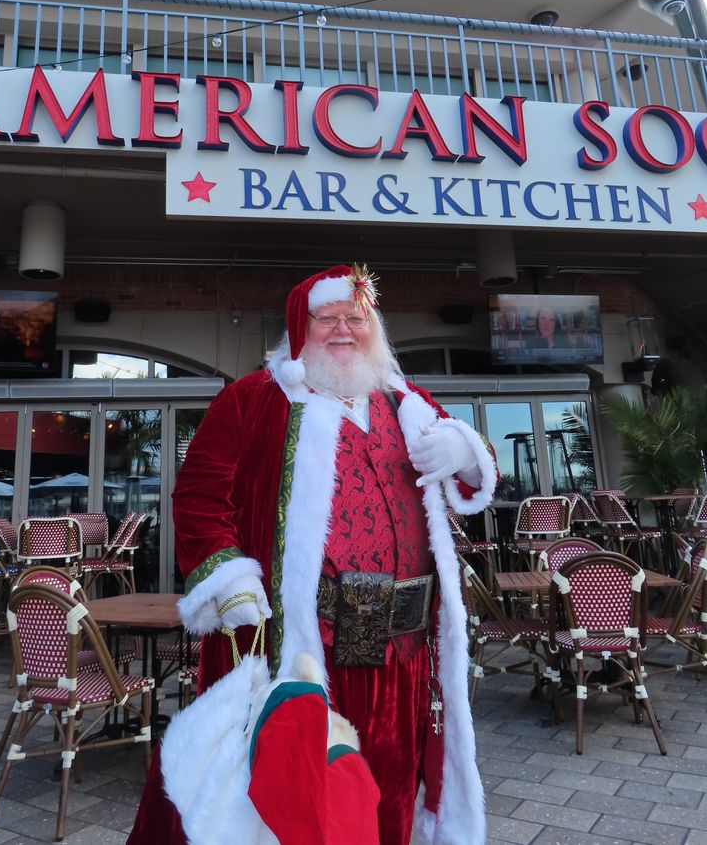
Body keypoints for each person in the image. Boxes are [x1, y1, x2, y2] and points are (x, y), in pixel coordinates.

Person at [127, 264, 497, 845]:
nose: (344, 330)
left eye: (357, 318)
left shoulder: (408, 402)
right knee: (295, 806)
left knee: (390, 799)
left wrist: (465, 450)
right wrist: (228, 578)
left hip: (404, 656)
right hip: (300, 652)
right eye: (328, 319)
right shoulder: (253, 400)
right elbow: (199, 496)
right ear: (301, 328)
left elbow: (474, 479)